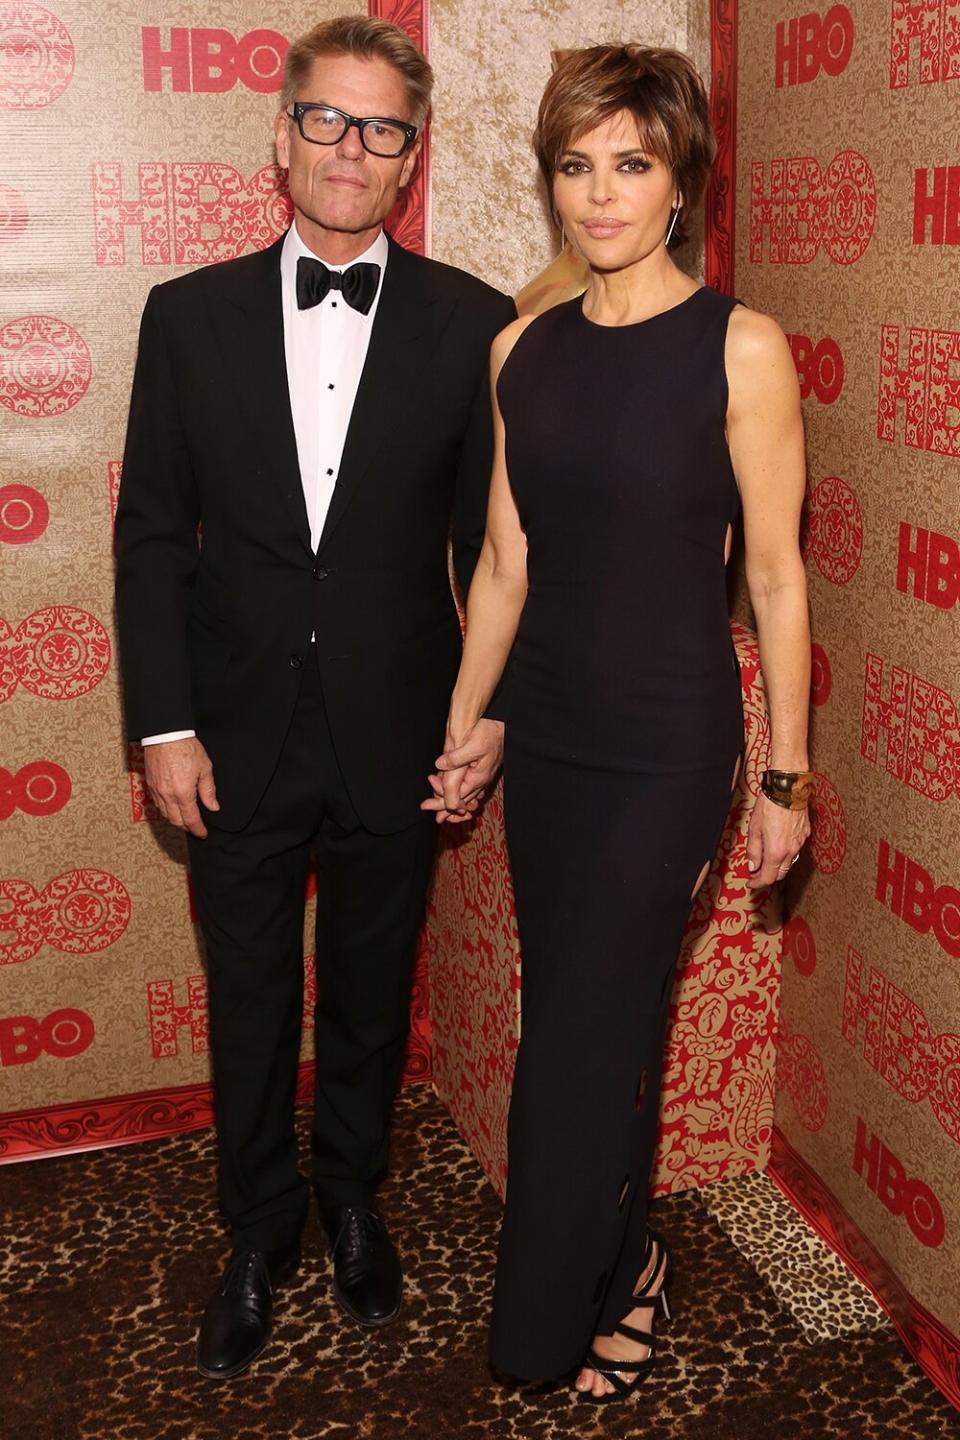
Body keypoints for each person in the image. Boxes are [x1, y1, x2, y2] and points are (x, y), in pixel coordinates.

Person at [115, 15, 514, 1381]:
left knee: (365, 992)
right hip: (227, 738)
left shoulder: (477, 324)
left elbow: (494, 554)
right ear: (279, 138)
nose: (353, 151)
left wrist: (488, 717)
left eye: (383, 128)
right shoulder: (186, 315)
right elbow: (154, 534)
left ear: (411, 160)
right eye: (327, 122)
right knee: (245, 1000)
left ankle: (350, 1195)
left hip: (396, 735)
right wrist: (162, 724)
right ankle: (256, 1229)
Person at [423, 44, 812, 1405]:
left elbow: (774, 572)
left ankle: (541, 1327)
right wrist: (474, 722)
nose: (599, 194)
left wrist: (783, 778)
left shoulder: (740, 346)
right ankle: (626, 1261)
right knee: (593, 1024)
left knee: (586, 1031)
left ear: (680, 180)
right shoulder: (519, 352)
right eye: (575, 165)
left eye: (630, 164)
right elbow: (505, 566)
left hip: (668, 738)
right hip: (559, 734)